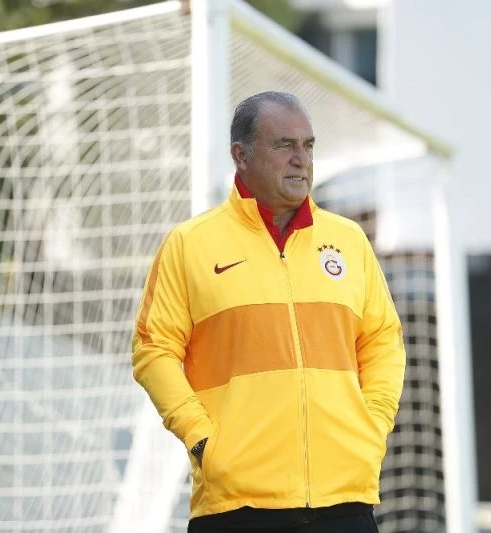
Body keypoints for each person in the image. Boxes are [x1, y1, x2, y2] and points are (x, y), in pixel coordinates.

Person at [132, 91, 406, 533]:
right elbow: (153, 350)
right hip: (237, 506)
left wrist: (371, 427)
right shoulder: (190, 245)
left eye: (308, 146)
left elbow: (383, 343)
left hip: (345, 503)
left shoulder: (349, 241)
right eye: (284, 145)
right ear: (241, 156)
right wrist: (203, 441)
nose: (302, 159)